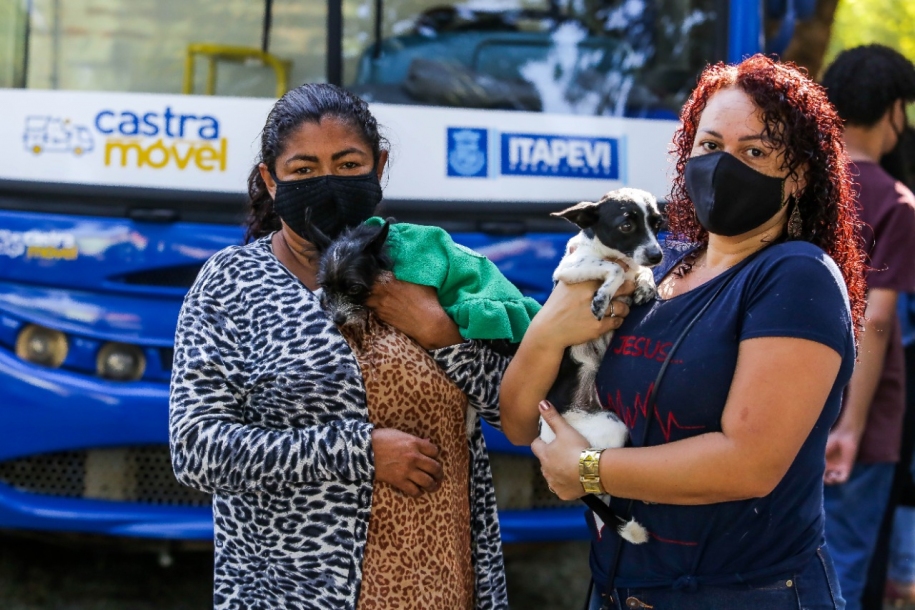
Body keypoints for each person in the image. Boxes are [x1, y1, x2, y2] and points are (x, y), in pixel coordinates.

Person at [500, 54, 866, 609]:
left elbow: (749, 463)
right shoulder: (653, 268)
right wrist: (549, 332)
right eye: (711, 146)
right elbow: (519, 420)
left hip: (744, 594)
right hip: (620, 588)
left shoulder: (796, 278)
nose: (725, 166)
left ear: (800, 176)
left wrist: (589, 471)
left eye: (756, 151)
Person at [169, 83, 512, 609]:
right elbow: (195, 450)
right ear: (271, 178)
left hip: (440, 582)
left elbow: (513, 409)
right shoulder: (230, 284)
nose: (327, 183)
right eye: (304, 170)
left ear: (379, 165)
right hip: (292, 592)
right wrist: (357, 452)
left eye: (348, 165)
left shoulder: (435, 265)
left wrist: (441, 334)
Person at [819, 45, 915, 610]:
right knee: (844, 570)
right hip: (861, 418)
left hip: (787, 403)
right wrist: (852, 427)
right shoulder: (897, 203)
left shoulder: (802, 185)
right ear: (894, 111)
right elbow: (876, 321)